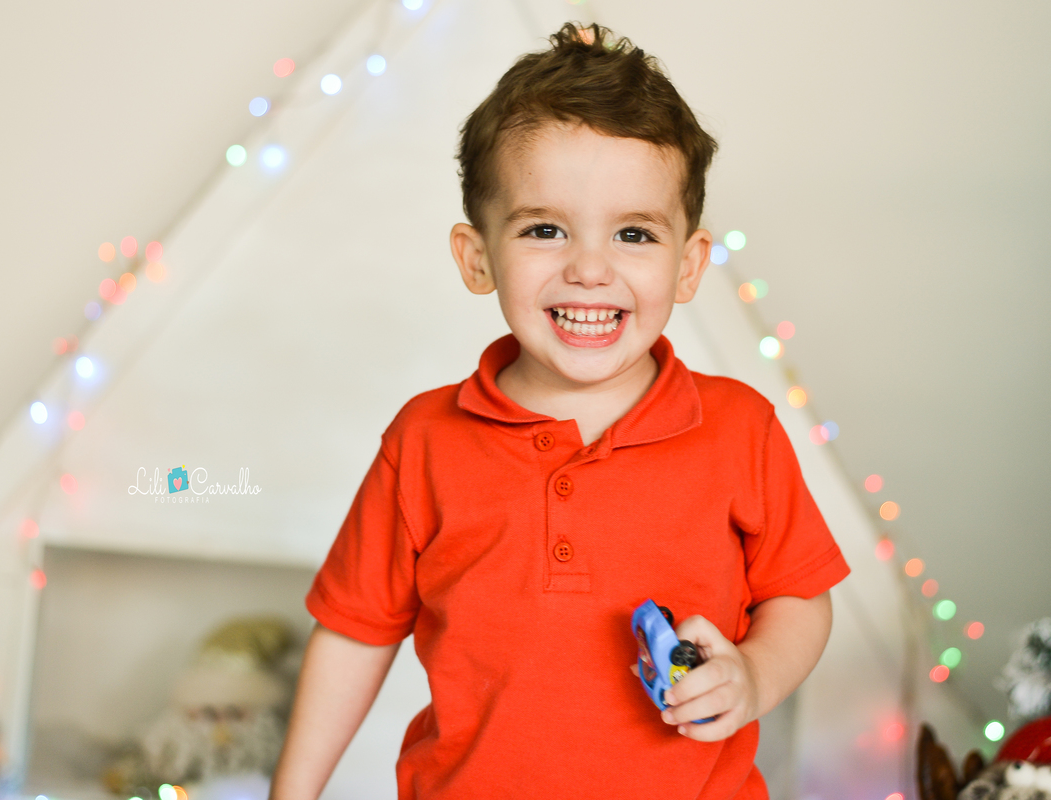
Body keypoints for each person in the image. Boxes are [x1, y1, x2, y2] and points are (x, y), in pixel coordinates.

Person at [269, 22, 850, 800]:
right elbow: (353, 634)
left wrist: (754, 674)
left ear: (689, 265)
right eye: (545, 229)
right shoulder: (425, 441)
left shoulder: (739, 428)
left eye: (634, 234)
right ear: (478, 257)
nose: (588, 268)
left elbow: (800, 595)